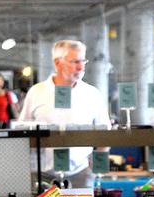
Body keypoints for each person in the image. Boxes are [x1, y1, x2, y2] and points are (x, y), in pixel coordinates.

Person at [19, 40, 110, 188]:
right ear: (57, 62)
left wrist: (94, 170)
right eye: (75, 61)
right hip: (41, 176)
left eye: (83, 61)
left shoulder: (92, 94)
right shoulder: (37, 92)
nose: (81, 67)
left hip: (80, 175)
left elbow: (105, 134)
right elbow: (22, 133)